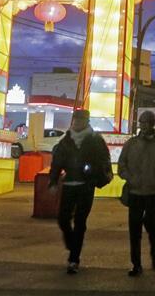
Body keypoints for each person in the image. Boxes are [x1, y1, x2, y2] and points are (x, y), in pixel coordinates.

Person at [49, 109, 112, 274]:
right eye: (75, 120)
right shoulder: (66, 140)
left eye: (80, 120)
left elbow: (104, 160)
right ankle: (73, 244)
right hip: (69, 184)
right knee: (63, 219)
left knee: (80, 221)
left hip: (86, 185)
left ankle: (74, 259)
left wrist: (99, 177)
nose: (77, 123)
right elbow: (57, 161)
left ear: (86, 121)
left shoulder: (95, 140)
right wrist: (53, 181)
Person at [118, 110, 155, 277]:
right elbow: (122, 165)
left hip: (152, 192)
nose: (143, 126)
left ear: (152, 124)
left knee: (152, 226)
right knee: (134, 229)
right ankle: (136, 264)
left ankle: (154, 255)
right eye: (141, 123)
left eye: (147, 123)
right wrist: (130, 178)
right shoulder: (131, 144)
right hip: (135, 192)